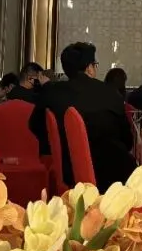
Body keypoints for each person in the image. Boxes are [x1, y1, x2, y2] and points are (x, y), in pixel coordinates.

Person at [28, 42, 135, 190]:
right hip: (113, 179)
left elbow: (34, 125)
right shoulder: (111, 93)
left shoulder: (51, 93)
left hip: (68, 173)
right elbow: (127, 141)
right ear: (89, 68)